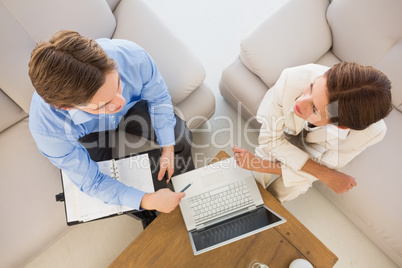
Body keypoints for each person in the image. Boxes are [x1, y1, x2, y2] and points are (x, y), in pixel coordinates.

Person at [28, 30, 195, 227]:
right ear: (66, 107)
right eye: (102, 104)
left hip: (135, 109)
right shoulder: (48, 130)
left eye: (117, 85)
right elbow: (93, 182)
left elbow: (158, 99)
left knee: (179, 138)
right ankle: (147, 213)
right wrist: (146, 200)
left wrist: (167, 147)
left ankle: (186, 188)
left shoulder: (132, 57)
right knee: (112, 187)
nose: (120, 102)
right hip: (88, 133)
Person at [233, 62, 392, 203]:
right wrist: (327, 175)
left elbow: (321, 168)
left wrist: (263, 166)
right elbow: (269, 141)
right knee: (266, 154)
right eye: (311, 88)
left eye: (315, 108)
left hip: (316, 145)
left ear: (341, 126)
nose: (299, 102)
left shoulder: (368, 135)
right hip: (283, 121)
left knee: (298, 184)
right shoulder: (292, 78)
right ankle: (242, 199)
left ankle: (270, 205)